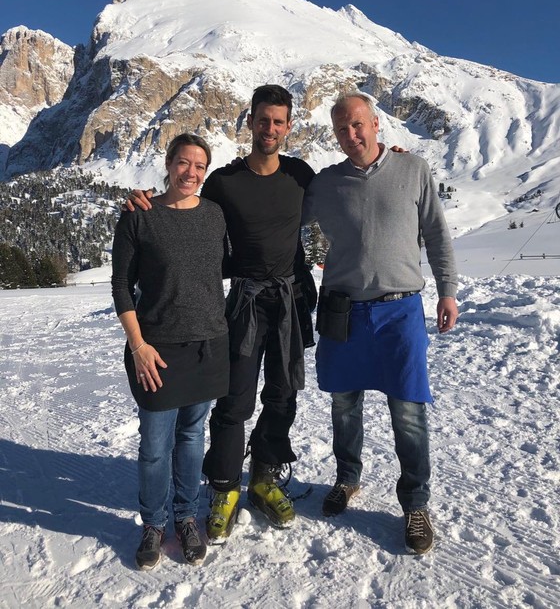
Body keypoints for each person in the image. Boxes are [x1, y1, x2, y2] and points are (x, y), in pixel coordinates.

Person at [126, 85, 317, 542]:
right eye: (262, 119)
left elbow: (351, 187)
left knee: (283, 393)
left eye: (278, 121)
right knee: (234, 400)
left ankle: (266, 476)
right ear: (249, 121)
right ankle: (225, 486)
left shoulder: (301, 175)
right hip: (245, 303)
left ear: (289, 127)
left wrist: (386, 157)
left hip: (290, 300)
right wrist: (142, 205)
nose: (269, 128)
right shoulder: (224, 182)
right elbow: (185, 207)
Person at [302, 92, 458, 555]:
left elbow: (436, 232)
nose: (351, 135)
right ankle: (347, 478)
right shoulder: (325, 184)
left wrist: (447, 290)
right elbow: (277, 214)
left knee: (408, 410)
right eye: (341, 129)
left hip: (400, 309)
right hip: (343, 310)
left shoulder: (413, 169)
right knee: (343, 404)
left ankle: (415, 503)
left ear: (375, 123)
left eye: (357, 124)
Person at [112, 133, 229, 570]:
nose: (191, 173)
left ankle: (185, 517)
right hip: (156, 351)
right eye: (183, 163)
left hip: (207, 345)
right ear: (168, 163)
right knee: (155, 446)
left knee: (192, 437)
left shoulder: (214, 215)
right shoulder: (140, 216)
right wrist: (138, 345)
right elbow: (121, 285)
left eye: (199, 166)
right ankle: (153, 523)